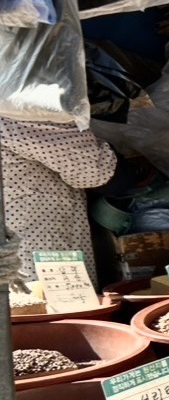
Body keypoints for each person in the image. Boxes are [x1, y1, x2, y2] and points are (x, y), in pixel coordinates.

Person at [0, 118, 116, 282]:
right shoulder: (14, 117)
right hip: (38, 260)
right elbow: (94, 170)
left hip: (16, 262)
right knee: (61, 298)